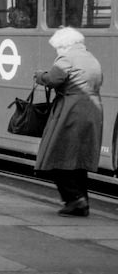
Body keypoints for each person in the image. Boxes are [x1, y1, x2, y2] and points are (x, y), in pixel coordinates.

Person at [33, 27, 104, 217]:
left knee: (57, 155)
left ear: (64, 45)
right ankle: (82, 202)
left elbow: (54, 79)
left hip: (71, 111)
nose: (57, 51)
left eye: (57, 48)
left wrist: (40, 75)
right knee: (78, 159)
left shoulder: (67, 58)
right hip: (92, 110)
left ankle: (74, 199)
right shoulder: (90, 58)